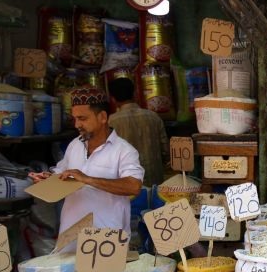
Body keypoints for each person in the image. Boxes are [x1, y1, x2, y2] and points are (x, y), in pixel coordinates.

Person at [29, 87, 144, 234]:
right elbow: (62, 174)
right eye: (75, 119)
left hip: (107, 241)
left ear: (102, 117)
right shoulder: (74, 145)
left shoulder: (124, 150)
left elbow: (133, 186)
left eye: (82, 118)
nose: (77, 125)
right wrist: (47, 178)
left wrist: (87, 179)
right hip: (70, 236)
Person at [107, 77, 169, 187]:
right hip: (155, 182)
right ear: (135, 93)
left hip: (129, 185)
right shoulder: (153, 117)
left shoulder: (111, 121)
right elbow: (166, 151)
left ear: (113, 99)